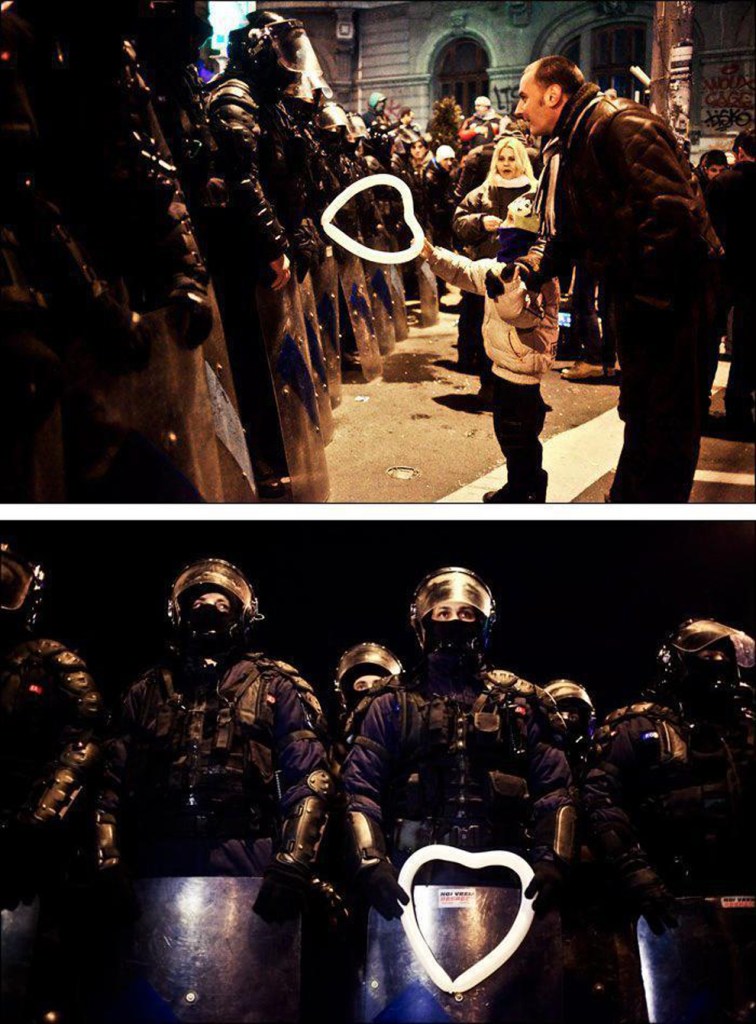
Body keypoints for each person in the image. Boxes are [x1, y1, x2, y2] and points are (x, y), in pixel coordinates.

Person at [514, 56, 721, 502]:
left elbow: (671, 217)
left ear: (554, 95)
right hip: (642, 298)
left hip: (672, 302)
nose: (519, 109)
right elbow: (568, 230)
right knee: (642, 411)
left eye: (524, 97)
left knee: (666, 421)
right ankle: (628, 501)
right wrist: (530, 271)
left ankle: (653, 523)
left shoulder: (620, 125)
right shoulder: (575, 139)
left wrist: (646, 303)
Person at [96, 557, 335, 925]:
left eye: (222, 604)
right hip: (155, 859)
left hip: (247, 858)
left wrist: (293, 861)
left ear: (241, 616)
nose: (210, 610)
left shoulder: (274, 684)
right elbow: (107, 782)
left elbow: (310, 778)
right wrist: (107, 856)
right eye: (198, 603)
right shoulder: (146, 691)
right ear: (179, 613)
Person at [341, 566, 575, 920]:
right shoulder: (392, 702)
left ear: (483, 624)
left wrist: (553, 859)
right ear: (423, 623)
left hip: (509, 877)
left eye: (467, 613)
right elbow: (359, 787)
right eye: (443, 613)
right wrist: (371, 862)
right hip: (414, 877)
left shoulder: (519, 700)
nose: (455, 621)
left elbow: (555, 789)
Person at [1, 542, 107, 1021]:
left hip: (24, 834)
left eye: (6, 584)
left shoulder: (51, 660)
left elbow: (82, 742)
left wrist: (37, 819)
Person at [586, 619, 756, 899]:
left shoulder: (746, 730)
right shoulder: (637, 727)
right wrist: (633, 870)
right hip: (665, 890)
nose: (720, 661)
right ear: (678, 665)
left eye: (726, 654)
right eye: (709, 655)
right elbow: (601, 800)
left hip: (741, 888)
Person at [427, 190, 558, 502]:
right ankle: (521, 485)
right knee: (509, 432)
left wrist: (510, 288)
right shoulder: (500, 266)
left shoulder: (535, 274)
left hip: (522, 370)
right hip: (504, 366)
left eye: (510, 222)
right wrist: (432, 255)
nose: (502, 228)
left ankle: (527, 491)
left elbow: (523, 317)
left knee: (519, 434)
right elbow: (464, 271)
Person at [452, 136, 537, 395]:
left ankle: (524, 390)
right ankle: (489, 385)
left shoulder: (534, 192)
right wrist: (479, 222)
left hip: (523, 276)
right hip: (489, 275)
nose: (506, 163)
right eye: (501, 158)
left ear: (521, 160)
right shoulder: (482, 192)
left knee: (524, 336)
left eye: (512, 158)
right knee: (489, 333)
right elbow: (458, 223)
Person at [706, 131, 756, 436]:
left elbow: (705, 226)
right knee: (749, 341)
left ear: (737, 152)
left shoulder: (722, 183)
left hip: (722, 271)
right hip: (754, 275)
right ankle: (740, 406)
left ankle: (700, 402)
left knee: (710, 336)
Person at [423, 145, 458, 250]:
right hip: (438, 218)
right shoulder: (432, 177)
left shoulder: (444, 172)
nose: (449, 163)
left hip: (444, 214)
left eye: (451, 159)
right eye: (446, 160)